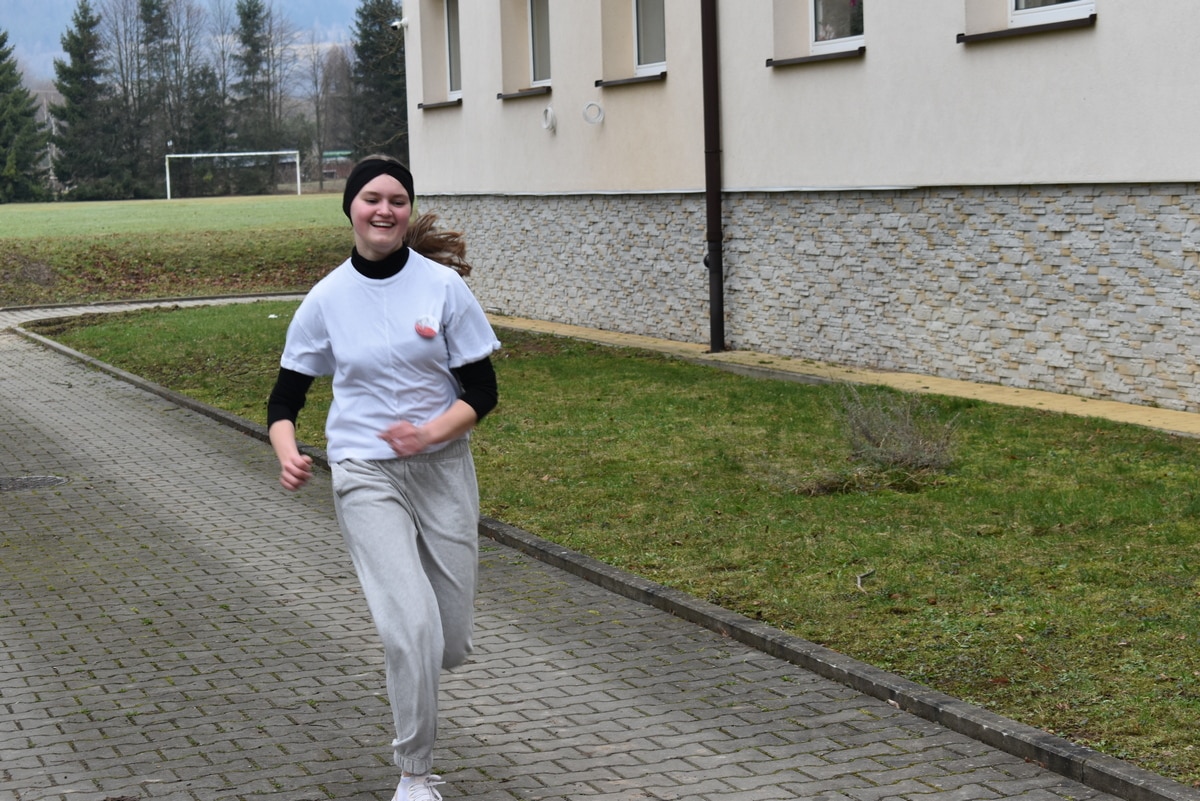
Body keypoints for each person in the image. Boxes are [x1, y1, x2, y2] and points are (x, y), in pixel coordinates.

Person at [266, 154, 500, 801]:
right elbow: (284, 400)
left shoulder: (442, 288)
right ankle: (414, 774)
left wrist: (429, 433)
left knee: (448, 641)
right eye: (372, 197)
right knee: (411, 628)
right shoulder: (327, 299)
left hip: (442, 468)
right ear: (350, 207)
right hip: (365, 471)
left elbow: (483, 391)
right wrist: (287, 451)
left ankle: (422, 674)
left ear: (407, 210)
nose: (384, 209)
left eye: (397, 199)